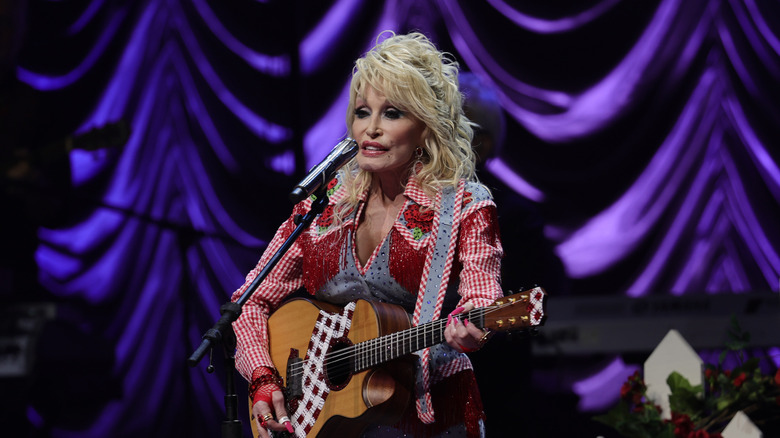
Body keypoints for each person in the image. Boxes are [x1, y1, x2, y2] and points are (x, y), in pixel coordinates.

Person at [231, 31, 504, 438]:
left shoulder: (463, 204)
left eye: (392, 113)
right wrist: (263, 378)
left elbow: (483, 296)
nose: (371, 128)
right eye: (362, 112)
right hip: (330, 420)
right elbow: (248, 303)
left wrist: (472, 325)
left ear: (426, 127)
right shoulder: (323, 205)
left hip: (429, 411)